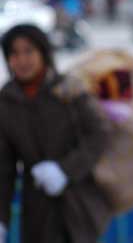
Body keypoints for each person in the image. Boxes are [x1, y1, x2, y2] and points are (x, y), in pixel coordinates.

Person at [0, 24, 112, 243]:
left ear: (43, 52)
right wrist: (1, 220)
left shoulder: (69, 90)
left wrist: (65, 170)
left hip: (79, 204)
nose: (22, 60)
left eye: (29, 51)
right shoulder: (5, 102)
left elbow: (99, 133)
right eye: (14, 53)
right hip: (37, 211)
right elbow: (3, 168)